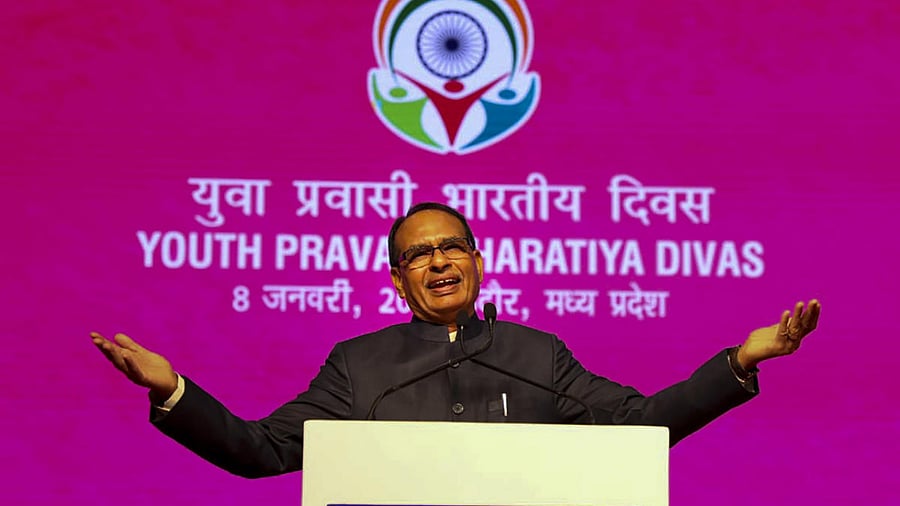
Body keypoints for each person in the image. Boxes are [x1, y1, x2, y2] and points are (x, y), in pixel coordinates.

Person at [91, 202, 821, 479]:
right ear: (397, 279)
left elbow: (638, 431)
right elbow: (263, 452)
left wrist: (739, 363)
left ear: (477, 261)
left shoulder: (538, 354)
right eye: (418, 254)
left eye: (452, 248)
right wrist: (172, 390)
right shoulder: (359, 363)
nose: (437, 261)